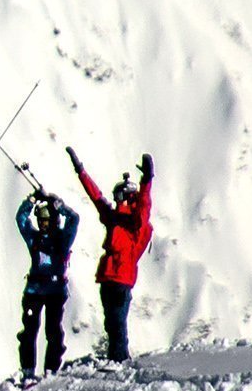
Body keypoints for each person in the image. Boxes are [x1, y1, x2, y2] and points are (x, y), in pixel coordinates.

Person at [66, 148, 154, 360]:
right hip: (108, 276)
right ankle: (116, 356)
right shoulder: (114, 217)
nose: (116, 199)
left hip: (121, 277)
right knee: (111, 322)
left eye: (119, 195)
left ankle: (120, 358)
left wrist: (146, 180)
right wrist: (81, 171)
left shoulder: (135, 223)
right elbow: (96, 197)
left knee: (117, 321)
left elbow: (143, 206)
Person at [15, 187, 80, 378]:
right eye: (40, 221)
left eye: (45, 220)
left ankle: (51, 367)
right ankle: (28, 369)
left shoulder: (63, 239)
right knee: (29, 331)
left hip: (55, 291)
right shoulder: (35, 239)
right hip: (34, 291)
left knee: (53, 330)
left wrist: (60, 206)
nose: (42, 225)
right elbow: (21, 219)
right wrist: (32, 200)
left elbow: (74, 219)